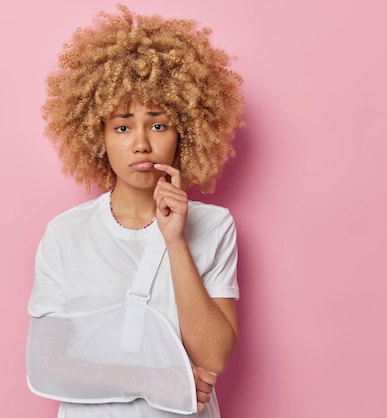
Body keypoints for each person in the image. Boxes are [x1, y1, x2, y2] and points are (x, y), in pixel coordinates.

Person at [26, 4, 245, 417]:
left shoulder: (214, 227)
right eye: (123, 127)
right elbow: (47, 366)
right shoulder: (66, 233)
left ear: (187, 131)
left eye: (158, 125)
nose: (141, 144)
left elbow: (214, 357)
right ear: (98, 135)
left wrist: (176, 241)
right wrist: (153, 378)